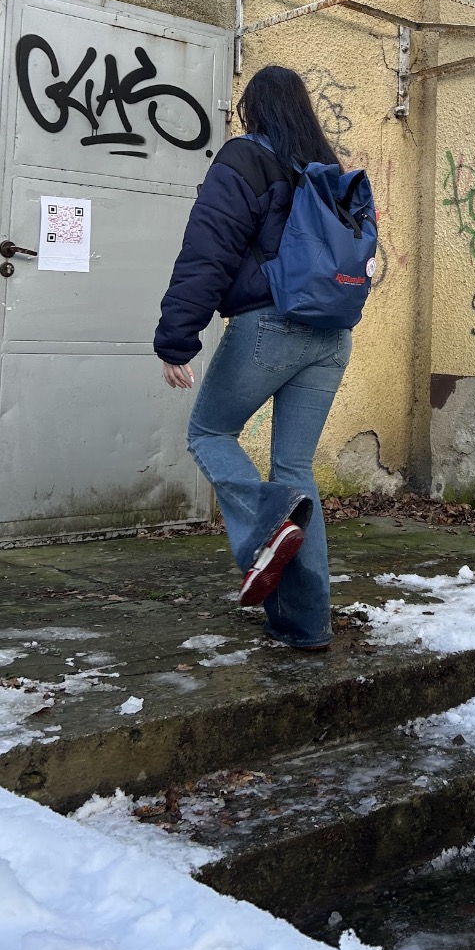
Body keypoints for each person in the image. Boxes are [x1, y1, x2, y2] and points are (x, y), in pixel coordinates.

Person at [155, 65, 351, 652]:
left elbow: (207, 249)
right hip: (332, 335)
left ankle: (269, 524)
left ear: (252, 110)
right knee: (295, 470)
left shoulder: (244, 159)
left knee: (209, 432)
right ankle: (306, 624)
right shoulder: (328, 171)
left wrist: (176, 338)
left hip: (270, 325)